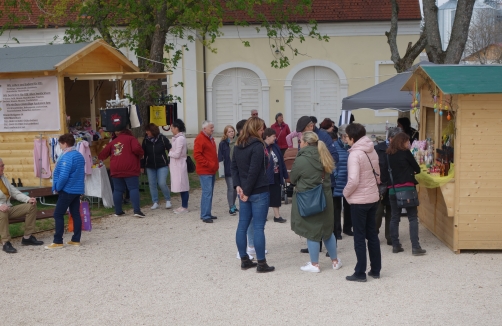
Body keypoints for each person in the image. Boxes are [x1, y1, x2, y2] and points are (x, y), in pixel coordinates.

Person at [290, 131, 342, 273]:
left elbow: (293, 179)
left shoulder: (301, 159)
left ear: (306, 143)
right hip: (325, 196)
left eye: (300, 141)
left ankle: (314, 264)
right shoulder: (324, 155)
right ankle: (335, 261)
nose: (300, 143)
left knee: (312, 230)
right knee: (327, 230)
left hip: (308, 198)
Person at [232, 117, 275, 273]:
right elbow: (254, 171)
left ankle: (244, 259)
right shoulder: (257, 146)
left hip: (244, 190)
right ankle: (261, 263)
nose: (263, 131)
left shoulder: (238, 145)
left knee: (242, 225)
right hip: (257, 190)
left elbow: (234, 168)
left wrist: (238, 186)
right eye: (261, 128)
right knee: (258, 227)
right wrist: (247, 191)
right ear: (255, 129)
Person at [343, 123, 382, 282]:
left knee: (359, 236)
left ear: (352, 138)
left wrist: (345, 194)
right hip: (372, 197)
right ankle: (376, 269)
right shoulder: (372, 150)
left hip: (359, 200)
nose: (345, 139)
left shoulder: (355, 155)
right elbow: (378, 173)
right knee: (372, 234)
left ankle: (360, 272)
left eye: (346, 136)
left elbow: (353, 180)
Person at [296, 116, 339, 253]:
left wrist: (317, 167)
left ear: (311, 126)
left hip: (324, 182)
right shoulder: (305, 139)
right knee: (313, 215)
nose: (301, 135)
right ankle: (315, 244)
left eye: (303, 131)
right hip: (310, 184)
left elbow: (334, 157)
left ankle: (331, 247)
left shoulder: (324, 137)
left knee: (328, 217)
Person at [386, 132, 426, 256]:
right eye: (407, 141)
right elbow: (417, 169)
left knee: (394, 218)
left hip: (392, 189)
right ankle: (415, 246)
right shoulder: (406, 153)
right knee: (413, 218)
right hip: (407, 189)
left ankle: (396, 245)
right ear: (402, 142)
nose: (409, 143)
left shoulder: (388, 155)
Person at [45, 134, 86, 249]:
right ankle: (76, 239)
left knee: (58, 214)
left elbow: (63, 175)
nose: (60, 146)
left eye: (60, 144)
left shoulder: (67, 157)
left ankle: (58, 241)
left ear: (65, 144)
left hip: (67, 189)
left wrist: (57, 186)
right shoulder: (79, 155)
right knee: (75, 213)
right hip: (77, 189)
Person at [98, 128, 145, 217]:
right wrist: (141, 154)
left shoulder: (113, 141)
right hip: (129, 167)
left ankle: (118, 211)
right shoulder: (131, 139)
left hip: (116, 168)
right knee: (133, 188)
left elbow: (102, 154)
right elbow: (136, 149)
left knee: (118, 190)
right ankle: (136, 211)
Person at [0, 158, 44, 253]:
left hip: (8, 208)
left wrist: (28, 199)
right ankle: (6, 243)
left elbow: (14, 192)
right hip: (1, 210)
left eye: (3, 165)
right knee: (2, 212)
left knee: (31, 206)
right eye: (1, 166)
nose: (3, 167)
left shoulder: (3, 178)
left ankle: (27, 237)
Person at [374, 127, 402, 246]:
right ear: (390, 138)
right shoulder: (377, 148)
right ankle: (373, 235)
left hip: (394, 184)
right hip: (380, 185)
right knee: (377, 212)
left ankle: (391, 236)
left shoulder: (401, 149)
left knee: (392, 211)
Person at [141, 123, 173, 210]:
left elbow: (170, 149)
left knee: (162, 183)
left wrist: (170, 160)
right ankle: (155, 201)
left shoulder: (162, 138)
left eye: (148, 130)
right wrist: (142, 165)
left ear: (152, 131)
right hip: (150, 165)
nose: (146, 132)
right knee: (152, 184)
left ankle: (168, 199)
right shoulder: (145, 140)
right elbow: (143, 154)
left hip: (162, 164)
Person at [194, 120, 219, 223]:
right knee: (207, 193)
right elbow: (197, 155)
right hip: (205, 170)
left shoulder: (210, 138)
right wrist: (209, 164)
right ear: (204, 129)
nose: (213, 129)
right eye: (211, 128)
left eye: (213, 127)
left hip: (211, 170)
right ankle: (205, 215)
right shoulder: (200, 139)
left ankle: (206, 213)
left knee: (209, 193)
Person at [263, 128, 289, 223]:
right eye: (273, 136)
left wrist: (285, 175)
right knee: (265, 196)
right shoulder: (261, 147)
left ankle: (277, 216)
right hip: (265, 176)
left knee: (276, 195)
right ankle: (263, 215)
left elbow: (281, 161)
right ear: (267, 137)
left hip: (276, 175)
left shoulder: (275, 147)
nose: (275, 138)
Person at [333, 124, 352, 240]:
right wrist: (335, 175)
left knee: (349, 206)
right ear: (341, 136)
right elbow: (331, 163)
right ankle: (337, 230)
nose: (347, 138)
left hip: (349, 181)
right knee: (336, 208)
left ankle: (348, 227)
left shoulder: (351, 147)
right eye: (346, 136)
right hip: (337, 181)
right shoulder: (334, 146)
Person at [168, 119, 190, 214]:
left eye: (172, 128)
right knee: (181, 185)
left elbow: (177, 154)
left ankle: (184, 206)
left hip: (179, 165)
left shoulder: (180, 139)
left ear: (177, 128)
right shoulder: (177, 138)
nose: (171, 130)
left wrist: (170, 152)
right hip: (176, 165)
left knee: (183, 185)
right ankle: (183, 205)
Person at [219, 125, 238, 216]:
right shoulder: (223, 143)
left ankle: (233, 204)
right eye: (229, 131)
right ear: (226, 133)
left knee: (235, 188)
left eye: (232, 131)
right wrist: (221, 171)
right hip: (227, 168)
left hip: (236, 169)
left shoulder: (237, 142)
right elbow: (220, 157)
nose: (231, 133)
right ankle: (231, 207)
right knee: (230, 187)